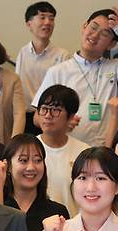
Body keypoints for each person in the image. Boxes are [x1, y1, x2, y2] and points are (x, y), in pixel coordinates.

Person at [33, 7, 118, 147]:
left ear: (111, 44)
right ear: (84, 26)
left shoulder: (115, 66)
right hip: (72, 150)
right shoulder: (58, 71)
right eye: (93, 27)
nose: (95, 35)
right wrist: (59, 123)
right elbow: (37, 117)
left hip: (110, 151)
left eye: (104, 33)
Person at [0, 133, 69, 231]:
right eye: (23, 160)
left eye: (38, 160)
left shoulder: (57, 212)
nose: (31, 167)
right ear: (8, 165)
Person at [16, 2, 70, 136]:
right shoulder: (22, 52)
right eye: (42, 17)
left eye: (51, 18)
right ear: (29, 24)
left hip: (50, 117)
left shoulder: (62, 55)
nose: (48, 22)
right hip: (25, 116)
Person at [36, 85, 89, 217]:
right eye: (44, 109)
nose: (48, 115)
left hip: (73, 227)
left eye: (55, 110)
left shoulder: (84, 152)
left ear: (71, 116)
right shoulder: (27, 149)